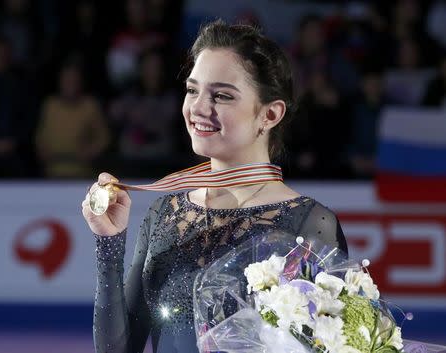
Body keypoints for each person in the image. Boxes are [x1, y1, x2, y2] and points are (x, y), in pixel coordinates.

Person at [82, 20, 348, 353]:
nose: (198, 108)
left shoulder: (309, 224)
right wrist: (109, 244)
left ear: (270, 114)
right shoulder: (165, 214)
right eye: (193, 90)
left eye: (221, 96)